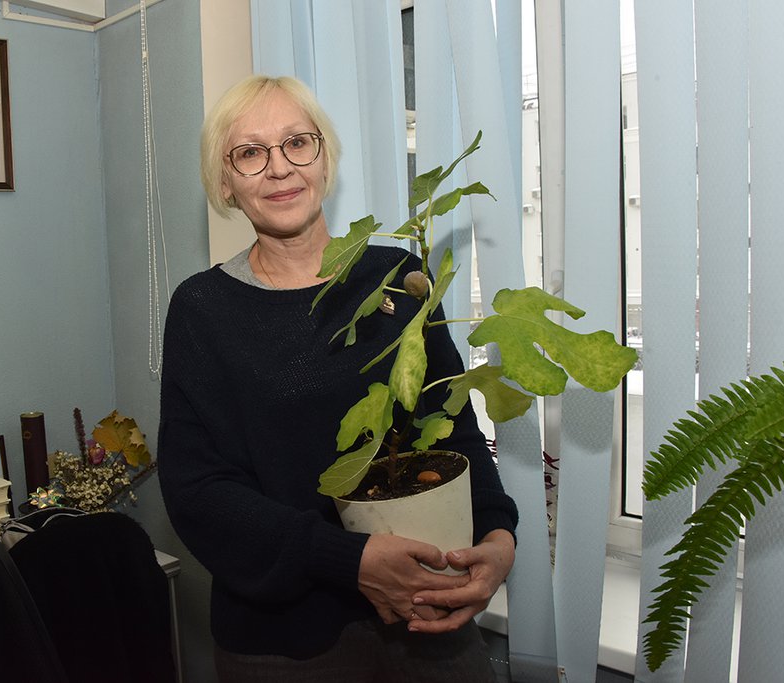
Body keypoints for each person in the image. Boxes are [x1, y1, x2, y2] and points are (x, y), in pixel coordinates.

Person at [158, 74, 518, 682]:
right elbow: (198, 493)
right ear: (224, 182)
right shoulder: (202, 310)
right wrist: (348, 559)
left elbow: (452, 428)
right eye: (250, 153)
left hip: (430, 613)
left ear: (326, 159)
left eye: (298, 142)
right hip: (284, 644)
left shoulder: (399, 279)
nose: (279, 167)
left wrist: (498, 533)